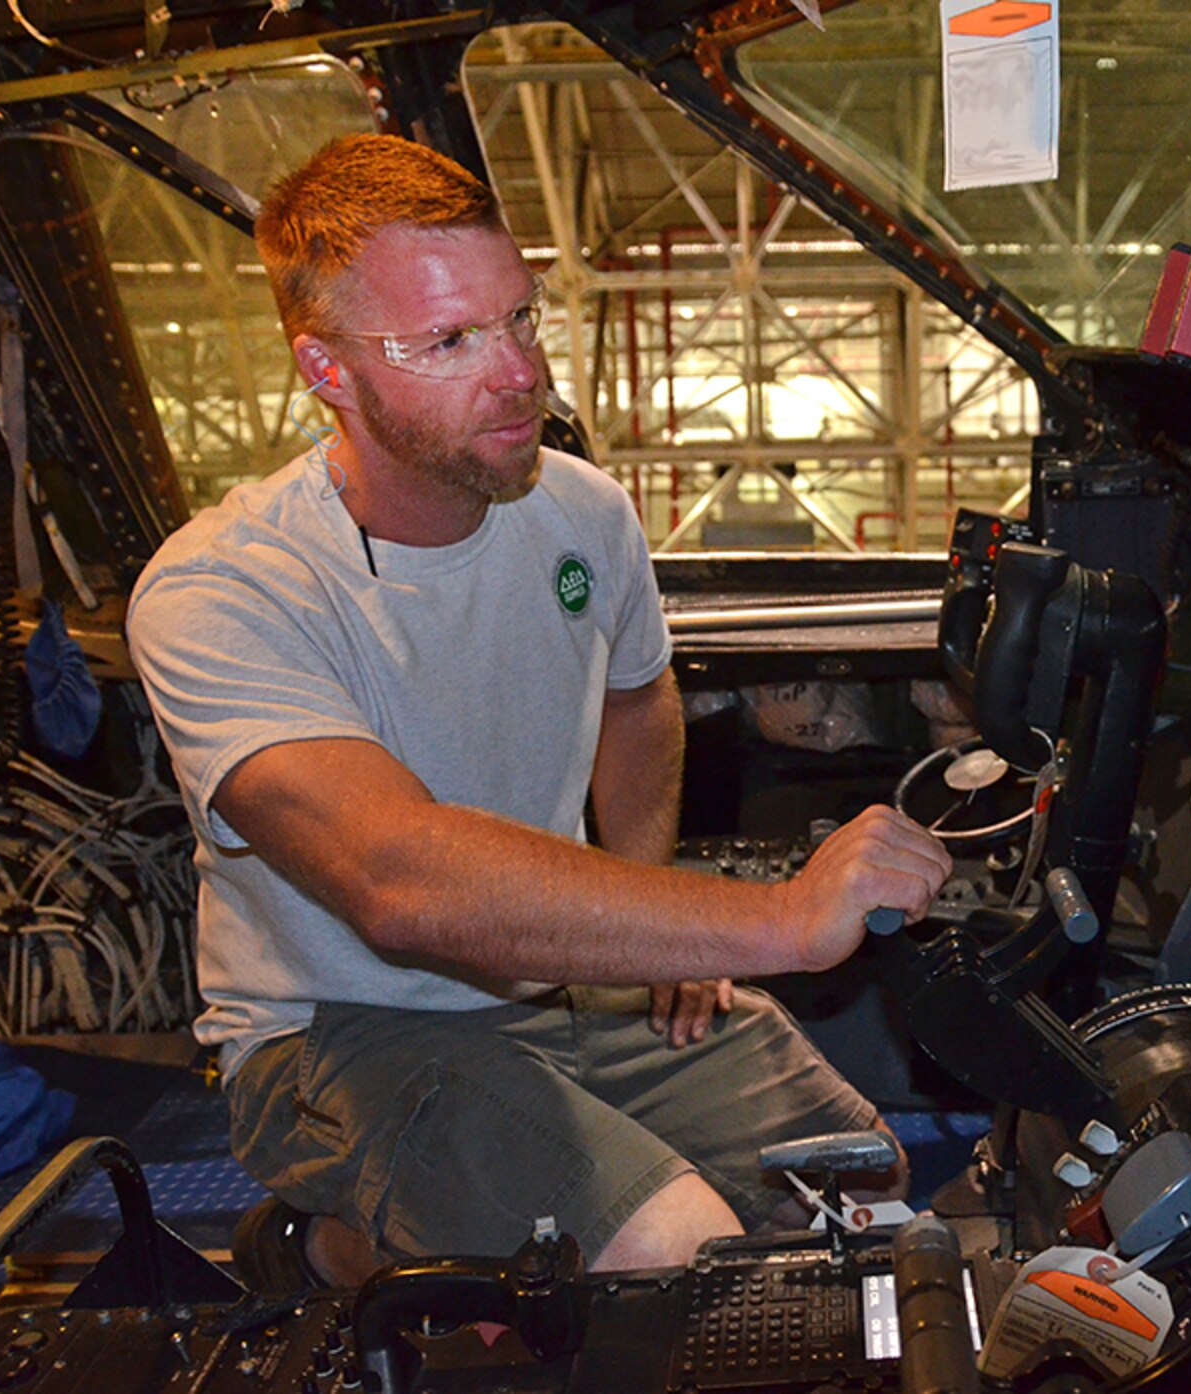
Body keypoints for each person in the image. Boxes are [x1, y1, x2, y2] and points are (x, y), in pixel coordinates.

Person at [125, 134, 951, 1285]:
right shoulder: (224, 588)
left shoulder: (582, 514)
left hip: (558, 986)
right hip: (339, 1030)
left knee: (857, 1181)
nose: (518, 370)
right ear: (325, 372)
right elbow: (401, 881)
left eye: (518, 317)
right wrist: (767, 921)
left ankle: (459, 1227)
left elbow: (638, 699)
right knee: (674, 1254)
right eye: (449, 340)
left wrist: (657, 926)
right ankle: (329, 1249)